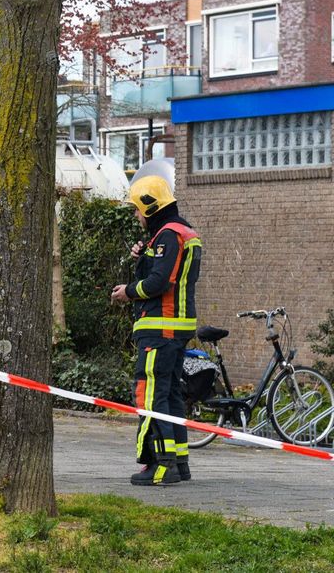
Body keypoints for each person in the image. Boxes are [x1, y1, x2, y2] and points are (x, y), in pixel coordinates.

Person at [110, 173, 202, 486]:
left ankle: (161, 466)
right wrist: (143, 256)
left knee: (150, 395)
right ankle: (179, 462)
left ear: (150, 206)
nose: (136, 215)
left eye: (137, 209)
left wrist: (129, 291)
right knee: (171, 394)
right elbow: (168, 274)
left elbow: (159, 283)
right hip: (177, 327)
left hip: (159, 328)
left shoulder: (167, 235)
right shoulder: (183, 231)